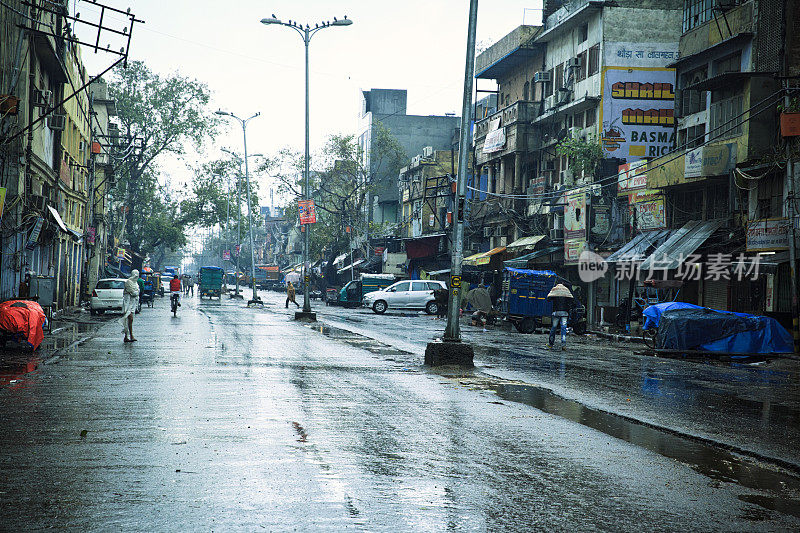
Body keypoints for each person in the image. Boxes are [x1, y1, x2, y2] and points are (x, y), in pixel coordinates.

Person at [547, 283, 574, 350]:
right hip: (565, 313)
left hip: (556, 312)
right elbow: (571, 300)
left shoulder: (555, 292)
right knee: (563, 329)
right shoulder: (566, 291)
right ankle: (563, 345)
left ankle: (551, 344)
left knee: (553, 328)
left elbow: (548, 299)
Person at [120, 269, 140, 342]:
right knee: (129, 318)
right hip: (127, 303)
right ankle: (129, 335)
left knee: (130, 320)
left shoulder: (136, 283)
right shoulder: (128, 282)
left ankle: (128, 336)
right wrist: (136, 293)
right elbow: (133, 292)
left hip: (133, 304)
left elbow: (137, 292)